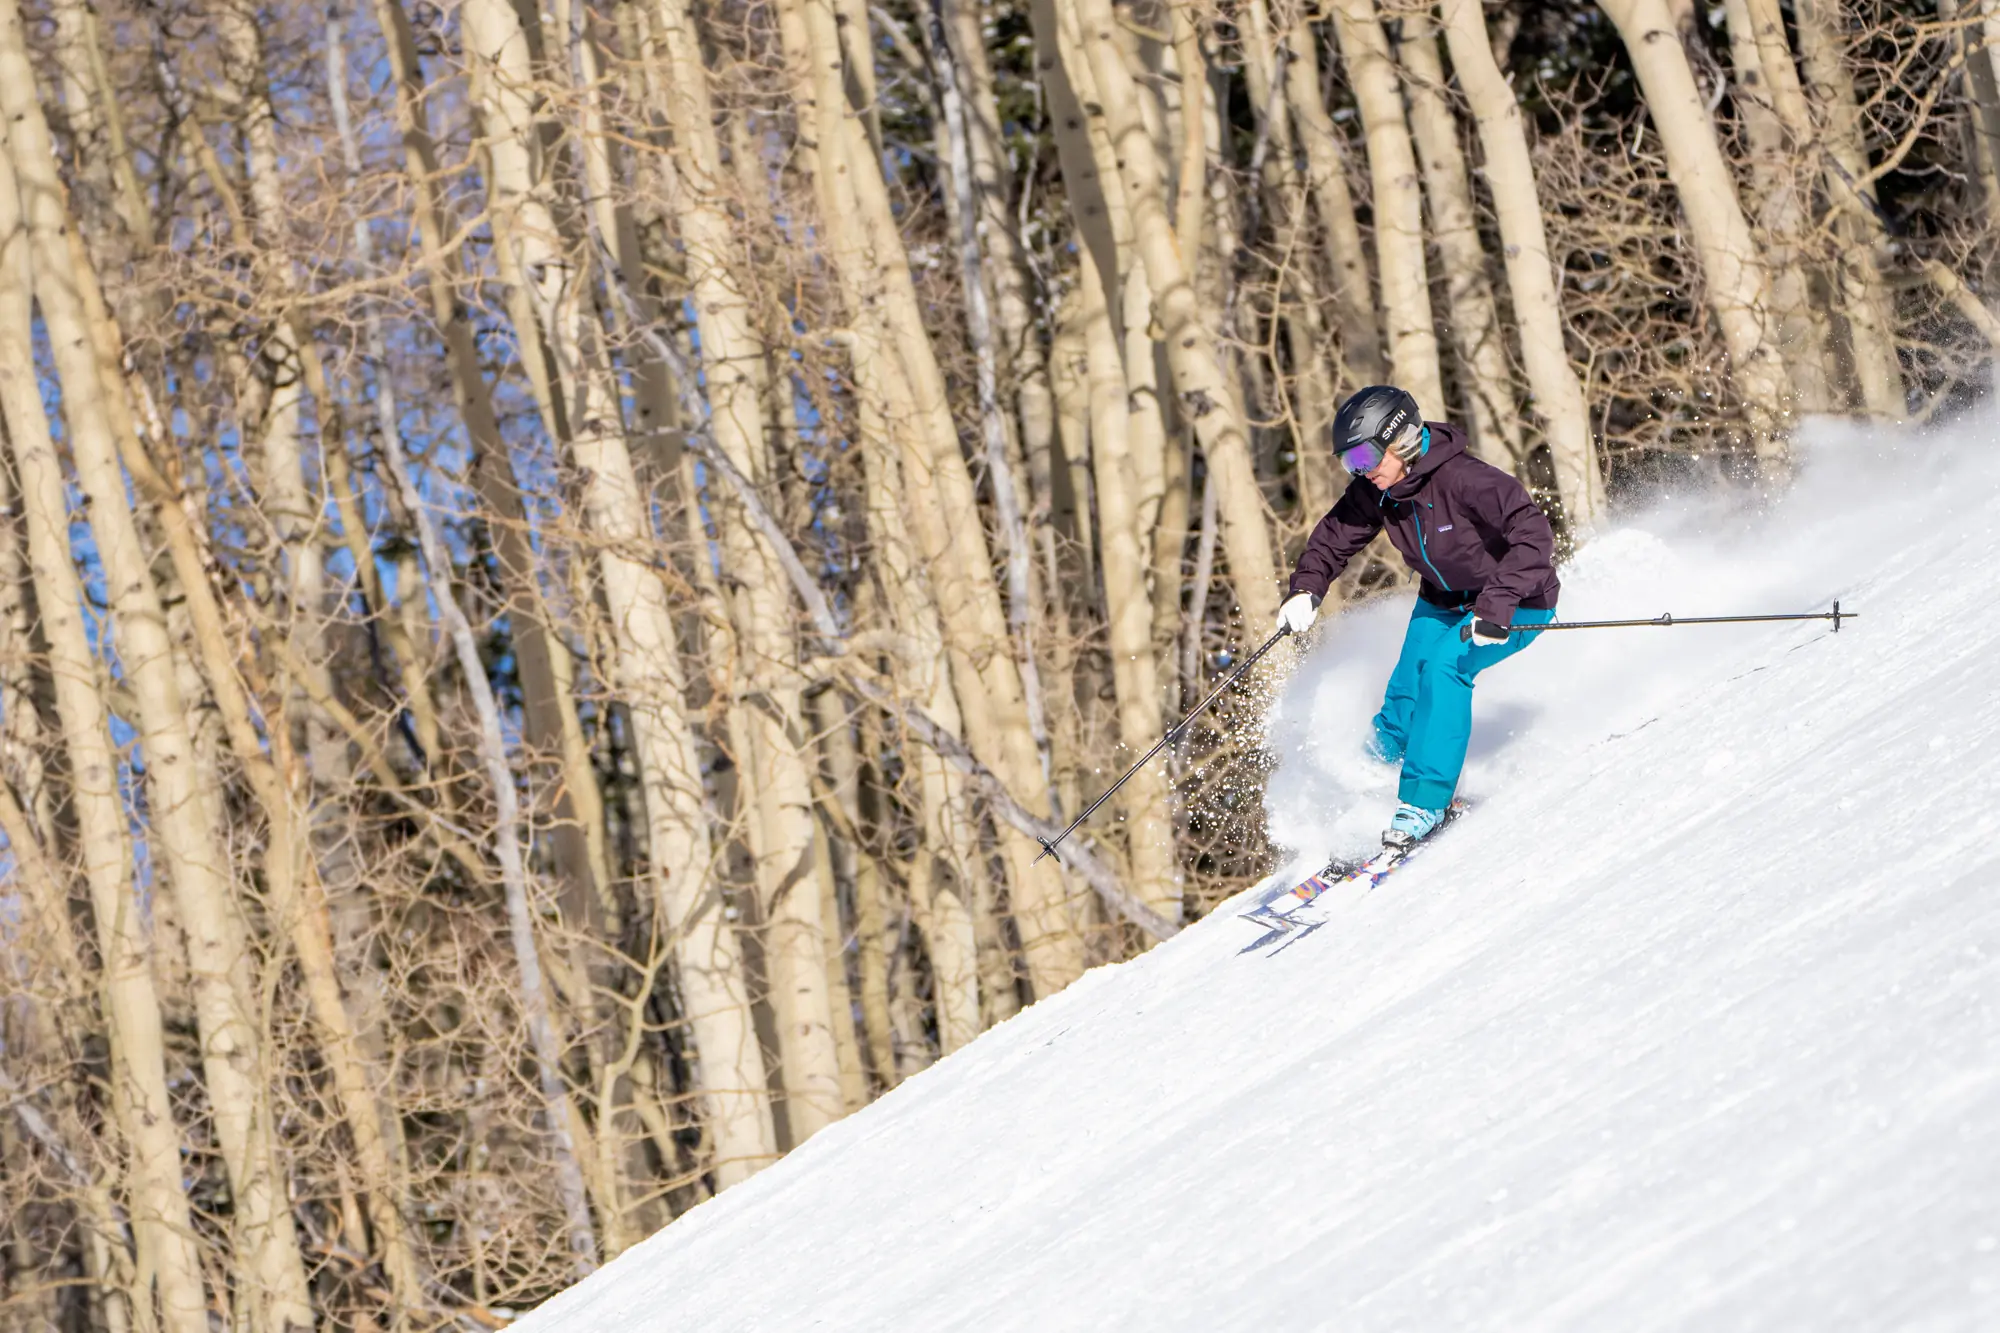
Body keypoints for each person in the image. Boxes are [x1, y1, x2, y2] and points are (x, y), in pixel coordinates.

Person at [1277, 385, 1560, 851]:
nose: (1361, 473)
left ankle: (1425, 800)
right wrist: (1306, 589)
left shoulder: (1469, 480)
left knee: (1446, 668)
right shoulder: (1380, 490)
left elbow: (1533, 535)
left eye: (1366, 459)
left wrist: (1497, 605)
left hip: (1518, 603)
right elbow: (1333, 537)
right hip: (1445, 599)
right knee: (1408, 682)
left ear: (1401, 440)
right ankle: (1376, 765)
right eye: (1351, 464)